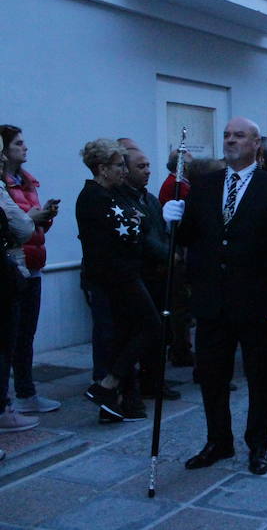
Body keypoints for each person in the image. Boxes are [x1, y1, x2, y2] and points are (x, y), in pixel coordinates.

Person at [162, 116, 267, 476]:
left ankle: (258, 444)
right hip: (212, 300)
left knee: (260, 377)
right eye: (226, 135)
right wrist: (174, 219)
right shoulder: (206, 185)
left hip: (258, 300)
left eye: (239, 136)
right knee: (211, 375)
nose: (230, 141)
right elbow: (193, 237)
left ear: (257, 144)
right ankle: (218, 441)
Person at [78, 139, 158, 423]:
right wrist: (136, 222)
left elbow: (144, 222)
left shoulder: (110, 194)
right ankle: (107, 384)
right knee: (152, 326)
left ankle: (115, 401)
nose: (124, 170)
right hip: (116, 277)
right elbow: (133, 230)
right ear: (102, 168)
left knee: (125, 335)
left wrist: (137, 221)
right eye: (118, 165)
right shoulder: (94, 197)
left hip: (123, 274)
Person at [1, 125, 61, 415]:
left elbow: (30, 225)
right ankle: (14, 398)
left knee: (26, 335)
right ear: (4, 149)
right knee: (11, 337)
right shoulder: (4, 185)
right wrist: (30, 218)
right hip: (14, 267)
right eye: (18, 143)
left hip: (34, 264)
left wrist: (44, 217)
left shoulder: (26, 181)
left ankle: (26, 393)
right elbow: (11, 224)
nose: (25, 147)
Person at [115, 144, 182, 402]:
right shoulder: (123, 200)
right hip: (140, 272)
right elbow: (143, 237)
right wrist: (167, 254)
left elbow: (161, 231)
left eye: (148, 166)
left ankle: (155, 379)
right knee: (141, 330)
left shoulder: (149, 198)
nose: (147, 171)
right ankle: (132, 384)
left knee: (160, 330)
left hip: (158, 272)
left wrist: (169, 251)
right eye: (140, 167)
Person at [0, 147, 37, 433]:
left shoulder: (21, 181)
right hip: (8, 267)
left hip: (21, 264)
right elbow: (21, 225)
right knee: (8, 342)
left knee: (20, 337)